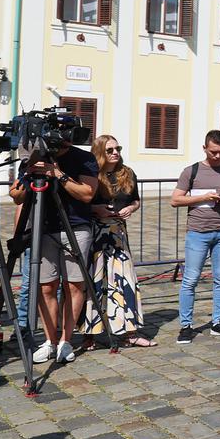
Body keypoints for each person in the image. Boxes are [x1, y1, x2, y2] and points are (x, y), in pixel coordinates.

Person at [20, 130, 101, 364]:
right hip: (44, 228)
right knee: (46, 287)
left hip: (76, 227)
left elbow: (87, 194)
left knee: (74, 285)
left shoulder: (84, 158)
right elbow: (17, 195)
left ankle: (66, 340)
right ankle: (50, 341)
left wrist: (58, 174)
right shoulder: (38, 156)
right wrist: (29, 173)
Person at [170, 131, 220, 343]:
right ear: (204, 148)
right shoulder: (191, 171)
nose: (217, 156)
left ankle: (218, 322)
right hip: (198, 233)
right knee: (191, 279)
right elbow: (175, 200)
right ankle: (186, 326)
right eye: (213, 152)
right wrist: (204, 197)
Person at [89, 135, 151, 348]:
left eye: (118, 148)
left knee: (125, 281)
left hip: (118, 233)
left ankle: (129, 332)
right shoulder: (91, 173)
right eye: (110, 150)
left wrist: (131, 208)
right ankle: (90, 334)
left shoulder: (127, 173)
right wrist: (95, 209)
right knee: (95, 281)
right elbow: (80, 203)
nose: (116, 153)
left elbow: (136, 200)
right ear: (99, 152)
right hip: (96, 233)